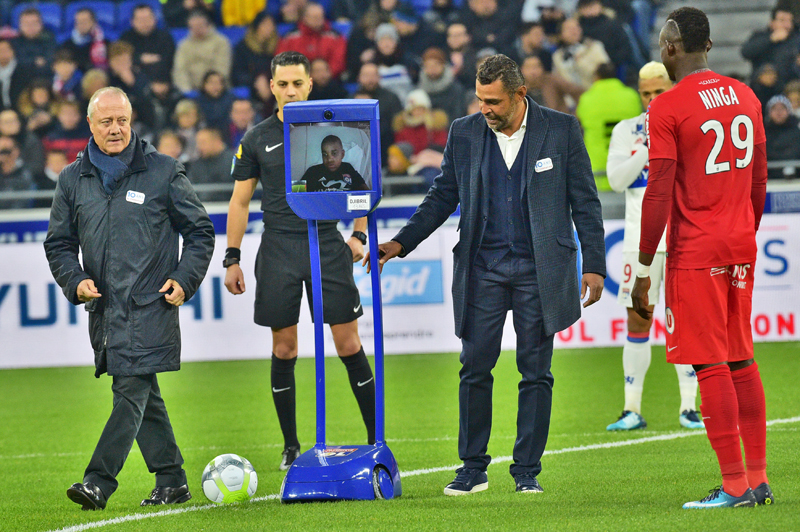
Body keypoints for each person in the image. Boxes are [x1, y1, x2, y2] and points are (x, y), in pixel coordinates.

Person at [367, 54, 606, 495]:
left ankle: (526, 474)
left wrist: (593, 263)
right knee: (474, 368)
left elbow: (585, 202)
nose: (485, 110)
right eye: (480, 100)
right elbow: (442, 197)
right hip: (483, 268)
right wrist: (401, 242)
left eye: (493, 102)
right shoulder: (464, 132)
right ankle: (472, 468)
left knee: (536, 372)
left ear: (520, 94)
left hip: (541, 269)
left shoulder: (561, 129)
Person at [43, 86, 215, 510]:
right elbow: (59, 245)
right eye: (107, 121)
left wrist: (184, 279)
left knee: (130, 389)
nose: (116, 129)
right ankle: (172, 479)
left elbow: (199, 232)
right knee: (142, 393)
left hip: (151, 305)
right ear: (90, 125)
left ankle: (98, 481)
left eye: (123, 120)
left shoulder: (163, 170)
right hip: (103, 309)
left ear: (132, 119)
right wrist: (75, 280)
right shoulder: (71, 178)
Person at [632, 7, 772, 509]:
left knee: (709, 363)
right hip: (739, 243)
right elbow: (759, 180)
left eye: (663, 43)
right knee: (741, 358)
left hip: (697, 249)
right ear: (709, 45)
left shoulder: (667, 108)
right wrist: (743, 233)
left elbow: (660, 190)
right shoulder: (746, 95)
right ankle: (757, 480)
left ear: (671, 47)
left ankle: (734, 485)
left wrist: (644, 267)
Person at [225, 51, 377, 470]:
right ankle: (291, 447)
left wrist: (359, 233)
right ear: (271, 87)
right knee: (284, 346)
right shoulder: (257, 138)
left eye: (297, 83)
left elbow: (360, 182)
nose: (290, 91)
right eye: (282, 84)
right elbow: (239, 201)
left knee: (348, 343)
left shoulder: (331, 130)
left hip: (326, 244)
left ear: (310, 85)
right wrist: (231, 258)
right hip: (278, 248)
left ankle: (375, 439)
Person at [605, 61, 703, 432]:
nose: (651, 99)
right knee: (638, 319)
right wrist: (649, 146)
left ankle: (689, 408)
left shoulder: (690, 124)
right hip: (638, 241)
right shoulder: (627, 130)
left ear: (671, 88)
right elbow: (616, 180)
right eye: (645, 93)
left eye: (658, 92)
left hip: (683, 237)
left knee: (687, 322)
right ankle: (631, 408)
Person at [575, 62, 641, 190]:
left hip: (598, 172)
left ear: (596, 77)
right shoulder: (631, 96)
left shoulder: (586, 99)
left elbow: (580, 121)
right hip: (628, 170)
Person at [171, 9, 232, 93]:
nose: (197, 29)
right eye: (193, 27)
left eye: (200, 26)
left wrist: (210, 87)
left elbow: (222, 68)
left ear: (208, 25)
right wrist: (187, 91)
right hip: (192, 90)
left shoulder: (221, 42)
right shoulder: (183, 45)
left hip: (217, 90)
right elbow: (180, 70)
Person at [741, 7, 799, 88]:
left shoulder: (796, 39)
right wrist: (770, 39)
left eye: (790, 21)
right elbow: (746, 52)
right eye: (782, 20)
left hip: (790, 87)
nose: (787, 25)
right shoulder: (761, 36)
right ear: (772, 22)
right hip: (764, 89)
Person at [119, 3, 176, 83]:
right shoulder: (125, 38)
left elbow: (169, 60)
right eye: (141, 20)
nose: (145, 23)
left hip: (161, 79)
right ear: (132, 22)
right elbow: (120, 59)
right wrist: (140, 59)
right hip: (133, 82)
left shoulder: (165, 37)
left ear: (154, 19)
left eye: (148, 18)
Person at [301, 135, 369, 192]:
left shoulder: (348, 168)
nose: (329, 159)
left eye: (334, 153)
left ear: (342, 154)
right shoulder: (313, 171)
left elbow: (365, 190)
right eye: (325, 154)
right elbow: (297, 192)